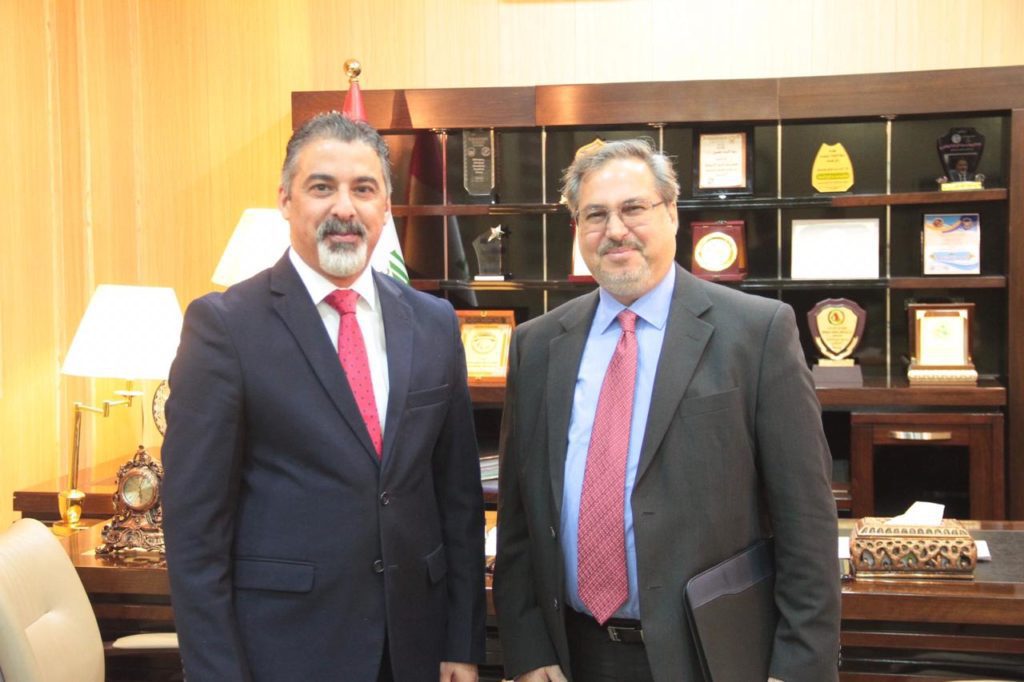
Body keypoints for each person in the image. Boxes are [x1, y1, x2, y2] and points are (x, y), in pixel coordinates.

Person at [493, 139, 840, 682]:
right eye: (595, 215)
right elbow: (519, 519)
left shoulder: (757, 333)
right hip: (572, 655)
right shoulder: (536, 346)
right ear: (577, 229)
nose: (615, 230)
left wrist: (797, 668)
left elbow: (807, 520)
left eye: (634, 208)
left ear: (672, 212)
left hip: (710, 657)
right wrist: (529, 650)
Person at [162, 112, 486, 682]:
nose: (344, 208)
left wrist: (460, 640)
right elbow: (195, 532)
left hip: (413, 644)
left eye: (363, 189)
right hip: (285, 650)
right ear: (285, 201)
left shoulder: (434, 322)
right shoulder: (226, 327)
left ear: (386, 207)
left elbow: (456, 498)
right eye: (321, 187)